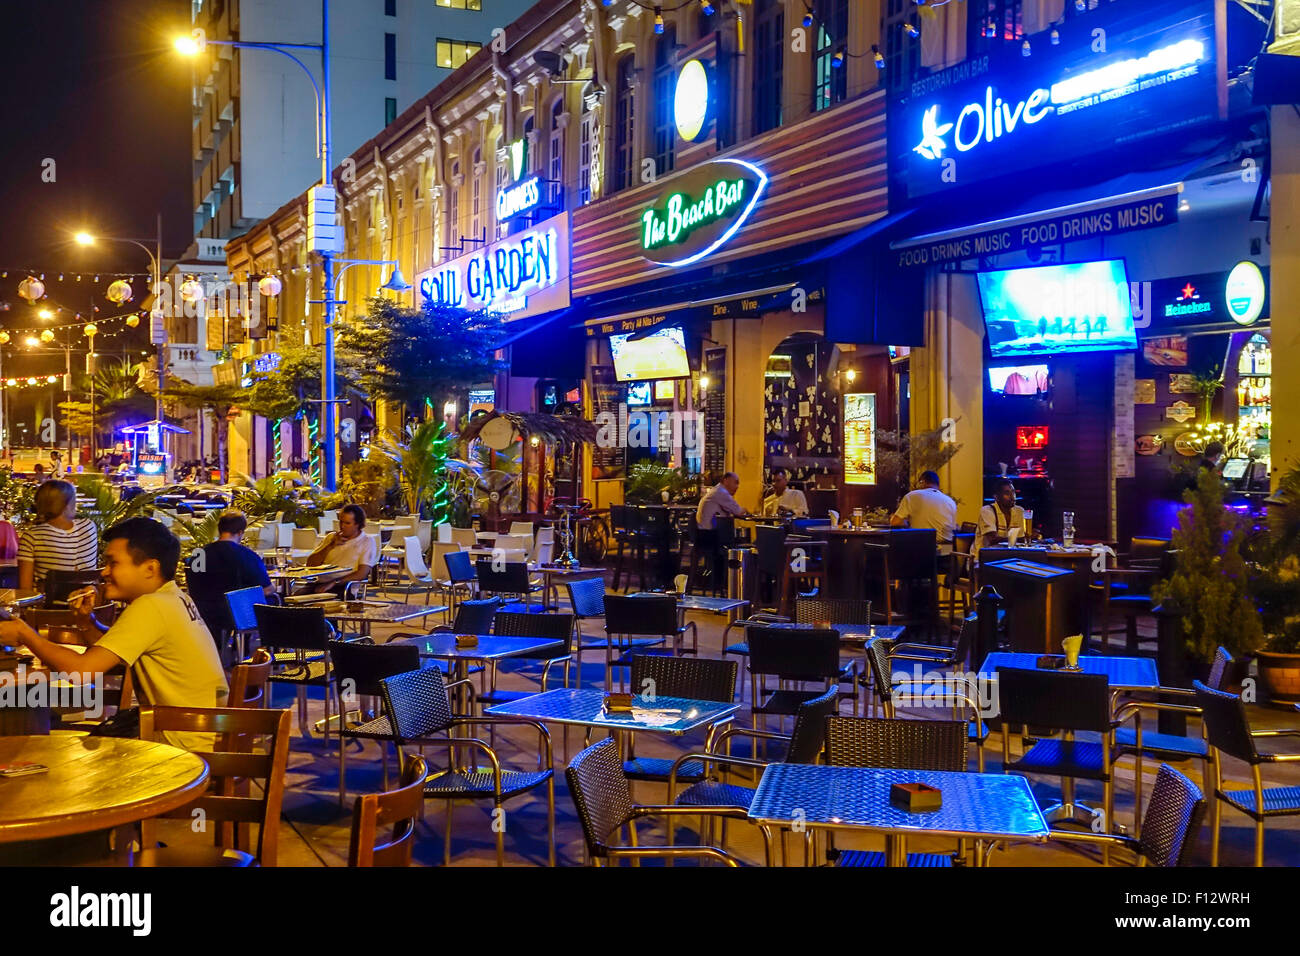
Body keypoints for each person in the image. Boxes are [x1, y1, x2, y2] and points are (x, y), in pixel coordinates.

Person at [0, 517, 228, 752]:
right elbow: (113, 659)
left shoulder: (151, 606)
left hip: (181, 744)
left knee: (48, 745)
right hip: (202, 736)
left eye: (113, 563)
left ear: (150, 568)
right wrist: (86, 622)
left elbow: (82, 673)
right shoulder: (174, 597)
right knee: (50, 722)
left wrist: (24, 633)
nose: (104, 572)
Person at [184, 510, 276, 651]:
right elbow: (267, 588)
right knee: (272, 600)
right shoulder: (247, 556)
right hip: (236, 614)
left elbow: (192, 586)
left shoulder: (199, 554)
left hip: (203, 613)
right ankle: (266, 653)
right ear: (240, 532)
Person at [17, 479, 100, 591]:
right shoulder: (89, 527)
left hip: (48, 607)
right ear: (66, 506)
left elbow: (25, 589)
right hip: (87, 605)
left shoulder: (32, 537)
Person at [305, 503, 378, 594]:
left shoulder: (366, 541)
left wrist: (334, 583)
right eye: (341, 522)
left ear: (357, 524)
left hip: (344, 586)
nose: (342, 526)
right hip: (319, 582)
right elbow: (310, 563)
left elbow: (362, 573)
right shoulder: (331, 537)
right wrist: (330, 546)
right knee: (290, 599)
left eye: (347, 523)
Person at [891, 470, 957, 552]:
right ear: (938, 485)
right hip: (947, 553)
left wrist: (905, 522)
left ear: (922, 482)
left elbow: (895, 522)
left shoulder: (912, 496)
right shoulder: (950, 501)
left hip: (921, 551)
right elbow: (953, 528)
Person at [977, 479, 1028, 554]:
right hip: (983, 559)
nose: (1012, 496)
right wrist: (1020, 539)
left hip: (1007, 557)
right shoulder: (987, 511)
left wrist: (1029, 537)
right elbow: (992, 540)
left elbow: (1021, 539)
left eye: (1013, 492)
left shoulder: (1019, 511)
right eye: (1007, 493)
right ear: (996, 497)